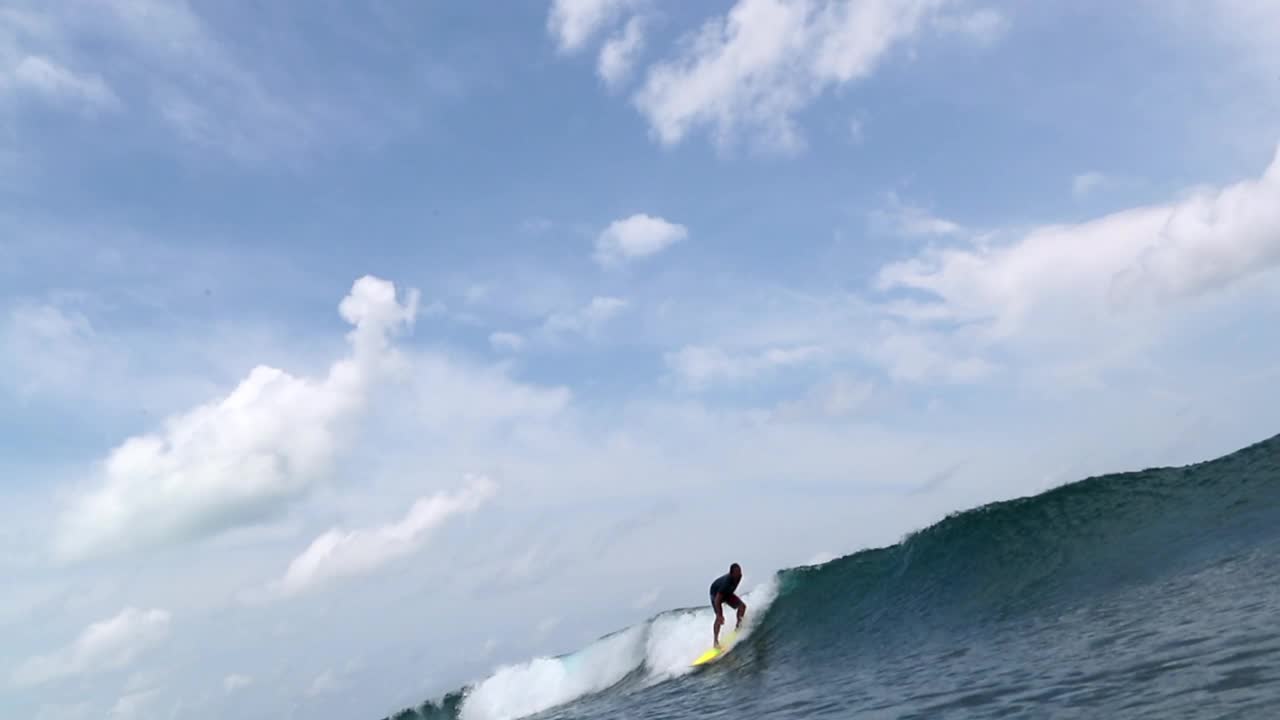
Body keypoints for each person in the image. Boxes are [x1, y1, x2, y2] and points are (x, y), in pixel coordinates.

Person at [709, 562, 746, 648]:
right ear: (731, 573)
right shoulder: (726, 582)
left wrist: (731, 600)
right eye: (737, 572)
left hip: (726, 593)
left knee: (742, 606)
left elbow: (731, 590)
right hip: (715, 594)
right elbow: (718, 600)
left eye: (740, 571)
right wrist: (719, 614)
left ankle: (738, 627)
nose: (739, 573)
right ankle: (715, 641)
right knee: (719, 618)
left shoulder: (739, 577)